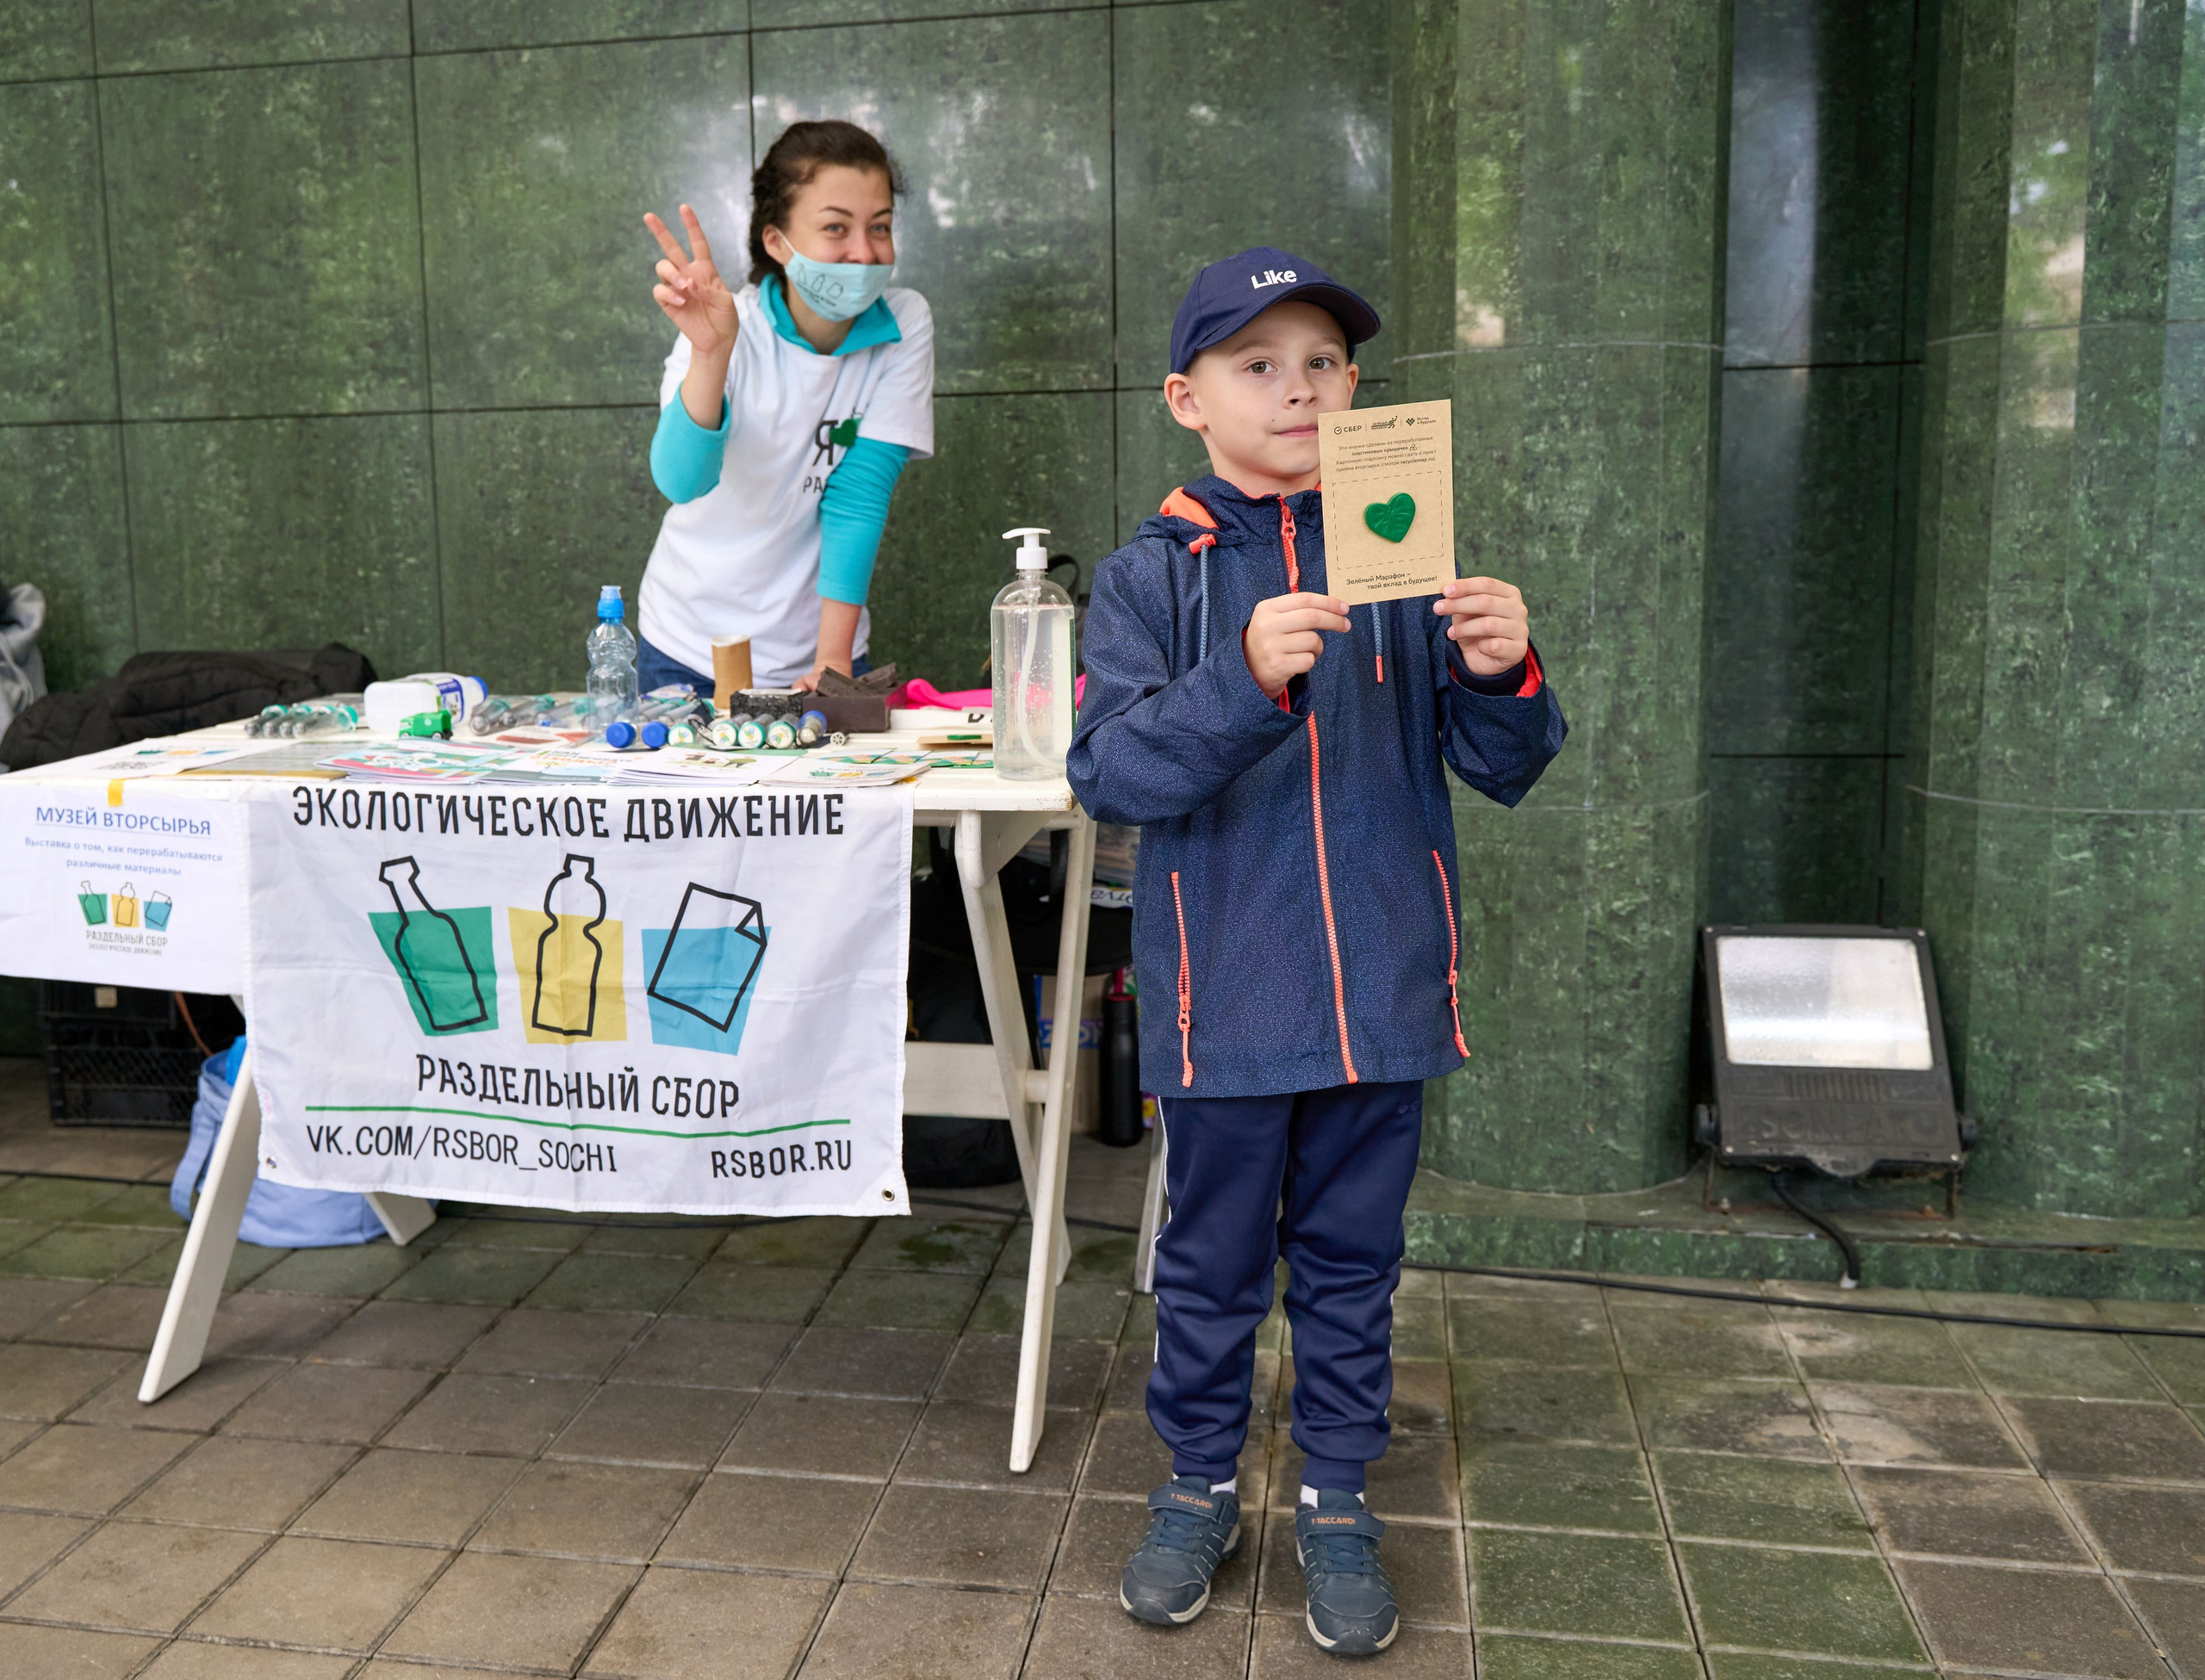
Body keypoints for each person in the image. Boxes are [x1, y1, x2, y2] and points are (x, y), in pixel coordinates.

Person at [1067, 247, 1566, 1656]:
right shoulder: (1150, 578)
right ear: (1188, 397)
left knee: (1355, 1266)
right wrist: (1240, 681)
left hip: (1385, 1003)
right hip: (1223, 1007)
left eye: (1325, 363)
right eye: (1258, 363)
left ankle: (1339, 1498)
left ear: (1358, 389)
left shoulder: (1402, 556)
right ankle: (1199, 1485)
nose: (1299, 386)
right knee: (1211, 1265)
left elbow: (1504, 762)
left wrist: (1501, 667)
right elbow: (1109, 773)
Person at [636, 120, 934, 693]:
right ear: (777, 241)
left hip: (822, 650)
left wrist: (833, 662)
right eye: (834, 228)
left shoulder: (904, 323)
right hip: (688, 645)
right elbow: (681, 480)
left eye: (880, 227)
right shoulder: (728, 328)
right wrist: (711, 354)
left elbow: (859, 497)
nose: (863, 253)